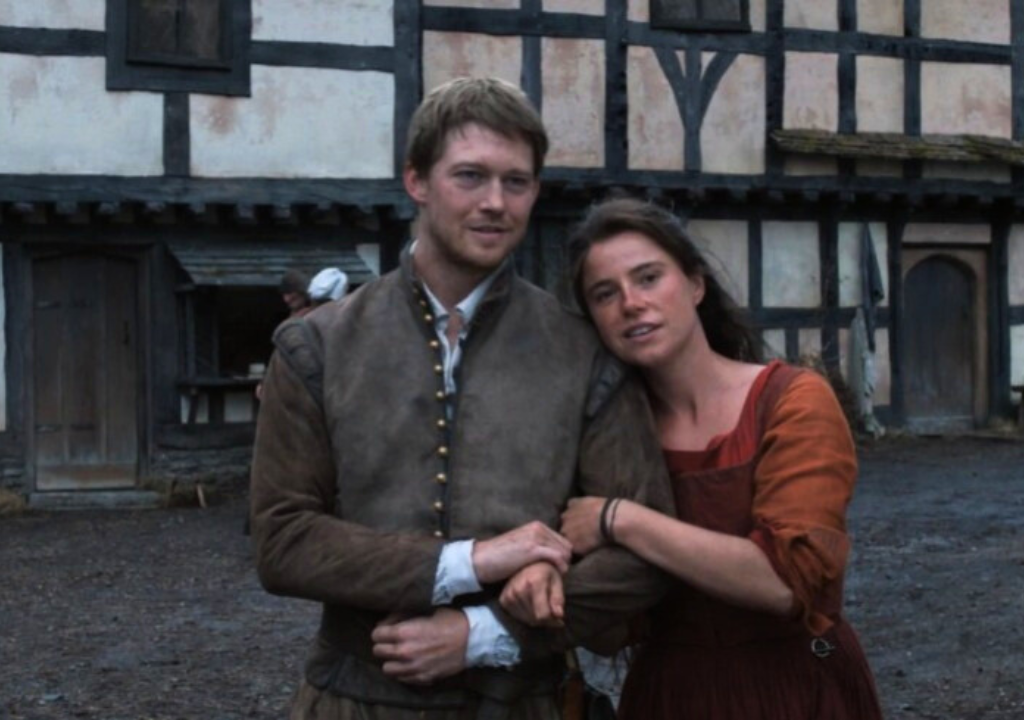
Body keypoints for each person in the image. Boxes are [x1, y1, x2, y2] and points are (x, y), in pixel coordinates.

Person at [249, 78, 672, 720]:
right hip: (353, 702)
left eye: (516, 182)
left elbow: (645, 551)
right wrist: (470, 562)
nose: (495, 203)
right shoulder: (317, 345)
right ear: (417, 181)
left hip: (524, 702)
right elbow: (282, 540)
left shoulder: (582, 352)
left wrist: (486, 634)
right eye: (470, 176)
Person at [553, 197, 883, 719]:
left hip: (796, 689)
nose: (631, 303)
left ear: (695, 284)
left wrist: (619, 519)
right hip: (669, 696)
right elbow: (610, 631)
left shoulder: (792, 401)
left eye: (648, 278)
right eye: (605, 294)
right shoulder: (605, 436)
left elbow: (785, 584)